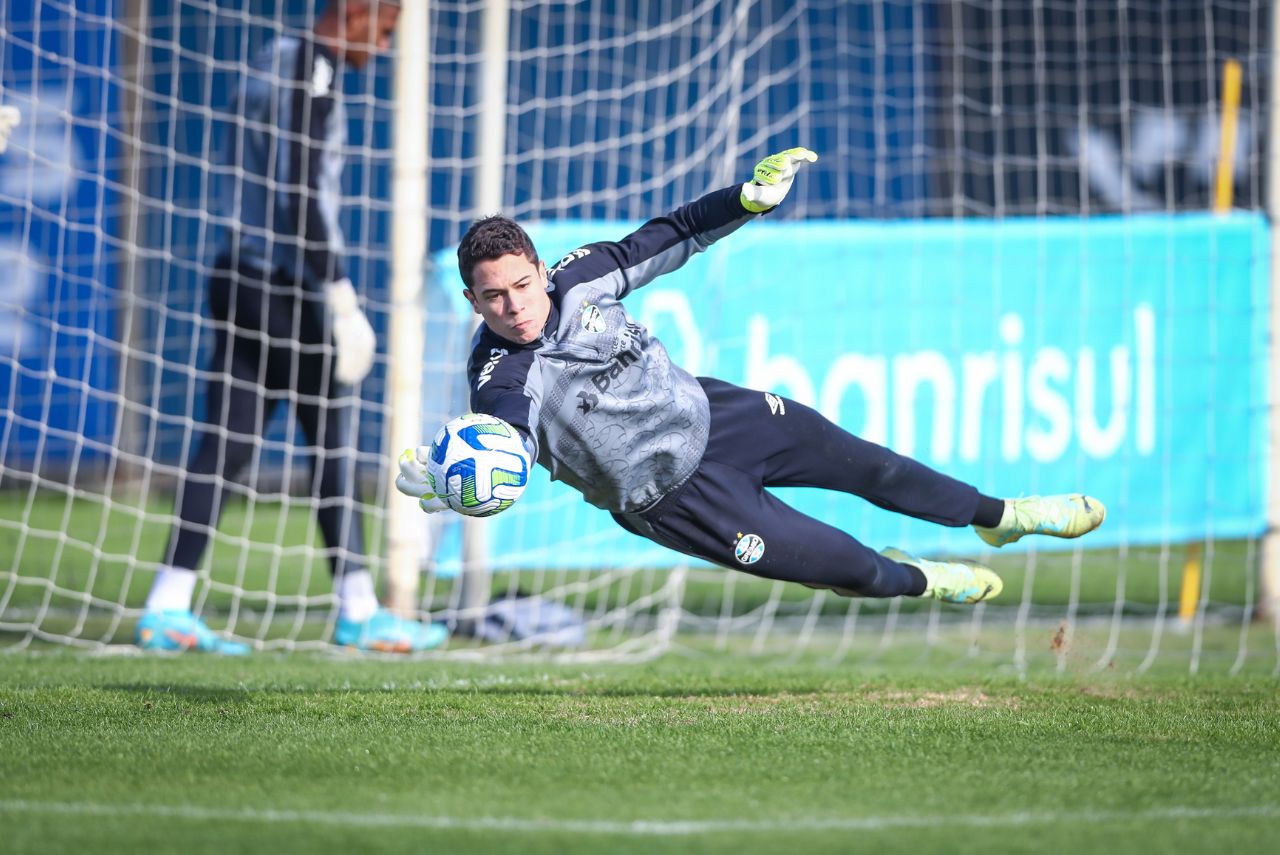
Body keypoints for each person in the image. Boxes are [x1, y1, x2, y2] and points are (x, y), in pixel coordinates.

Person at [396, 148, 1106, 606]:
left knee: (875, 467)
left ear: (541, 270)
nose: (514, 305)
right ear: (471, 301)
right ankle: (926, 579)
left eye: (521, 283)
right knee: (849, 568)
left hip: (724, 417)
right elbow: (508, 437)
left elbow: (670, 234)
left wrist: (748, 197)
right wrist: (469, 473)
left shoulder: (582, 278)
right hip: (677, 503)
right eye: (494, 296)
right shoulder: (498, 374)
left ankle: (1004, 517)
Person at [137, 0, 446, 654]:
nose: (386, 48)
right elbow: (299, 191)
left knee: (228, 440)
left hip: (236, 272)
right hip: (286, 284)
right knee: (329, 434)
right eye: (385, 30)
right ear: (356, 12)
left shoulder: (270, 58)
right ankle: (357, 608)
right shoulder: (314, 70)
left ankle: (167, 603)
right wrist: (336, 291)